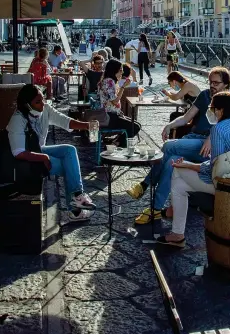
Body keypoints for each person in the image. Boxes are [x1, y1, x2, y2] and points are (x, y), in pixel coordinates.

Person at [127, 67, 230, 224]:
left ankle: (144, 184)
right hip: (193, 139)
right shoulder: (205, 95)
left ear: (225, 84)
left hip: (208, 146)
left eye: (216, 83)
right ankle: (156, 209)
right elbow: (186, 117)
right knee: (172, 162)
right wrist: (170, 125)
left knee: (169, 146)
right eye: (210, 82)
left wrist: (212, 136)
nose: (212, 85)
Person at [156, 92, 230, 247]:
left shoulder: (218, 128)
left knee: (177, 171)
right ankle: (176, 234)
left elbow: (216, 166)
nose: (211, 112)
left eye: (213, 109)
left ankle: (176, 227)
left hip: (229, 184)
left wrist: (188, 165)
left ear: (221, 110)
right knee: (179, 186)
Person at [7, 85, 97, 222]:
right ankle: (75, 209)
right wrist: (44, 157)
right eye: (37, 102)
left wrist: (86, 125)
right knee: (68, 167)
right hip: (24, 160)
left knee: (70, 150)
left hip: (39, 150)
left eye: (42, 99)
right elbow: (18, 152)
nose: (42, 104)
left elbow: (65, 121)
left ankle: (77, 198)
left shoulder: (46, 109)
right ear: (27, 105)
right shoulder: (18, 119)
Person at [97, 59, 141, 143]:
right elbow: (115, 101)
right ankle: (119, 144)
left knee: (136, 125)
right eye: (120, 70)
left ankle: (115, 142)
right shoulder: (109, 81)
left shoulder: (110, 81)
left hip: (112, 114)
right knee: (135, 127)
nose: (122, 72)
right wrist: (123, 87)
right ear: (114, 70)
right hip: (109, 117)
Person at [162, 71, 200, 139]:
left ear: (174, 81)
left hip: (195, 115)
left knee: (174, 115)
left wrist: (167, 94)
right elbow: (180, 97)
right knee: (175, 115)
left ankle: (173, 139)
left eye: (169, 83)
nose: (170, 85)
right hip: (191, 112)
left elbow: (176, 97)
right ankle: (173, 137)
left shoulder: (188, 85)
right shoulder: (185, 85)